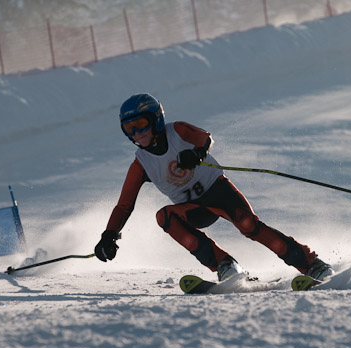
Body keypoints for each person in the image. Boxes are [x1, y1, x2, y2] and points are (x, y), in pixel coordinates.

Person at [95, 93, 334, 282]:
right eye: (129, 128)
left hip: (219, 192)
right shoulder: (141, 164)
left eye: (141, 124)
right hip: (194, 209)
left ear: (156, 119)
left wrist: (197, 153)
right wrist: (109, 235)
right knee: (164, 217)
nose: (137, 133)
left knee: (248, 225)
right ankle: (225, 265)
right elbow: (124, 205)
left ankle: (311, 265)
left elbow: (205, 138)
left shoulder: (177, 131)